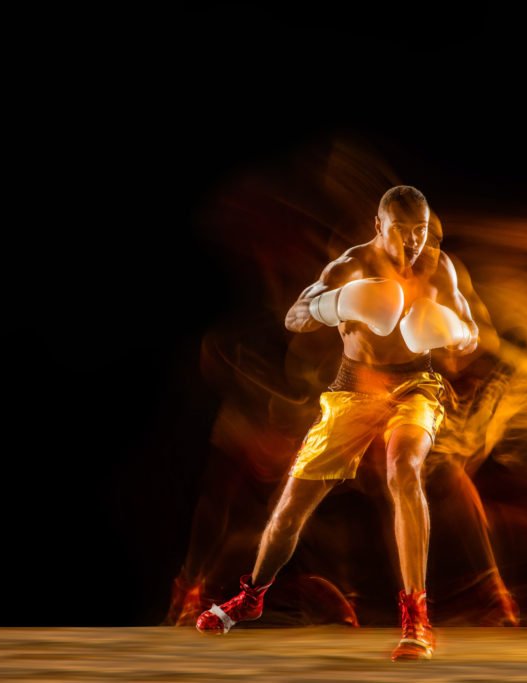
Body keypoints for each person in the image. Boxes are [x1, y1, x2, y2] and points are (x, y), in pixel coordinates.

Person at [196, 185, 480, 661]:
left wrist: (455, 332)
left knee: (404, 470)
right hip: (352, 391)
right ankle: (251, 598)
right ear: (379, 227)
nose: (411, 242)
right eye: (401, 231)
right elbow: (294, 318)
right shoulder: (352, 265)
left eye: (420, 231)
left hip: (415, 387)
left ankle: (416, 618)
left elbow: (468, 333)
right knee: (290, 509)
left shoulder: (439, 266)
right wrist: (338, 303)